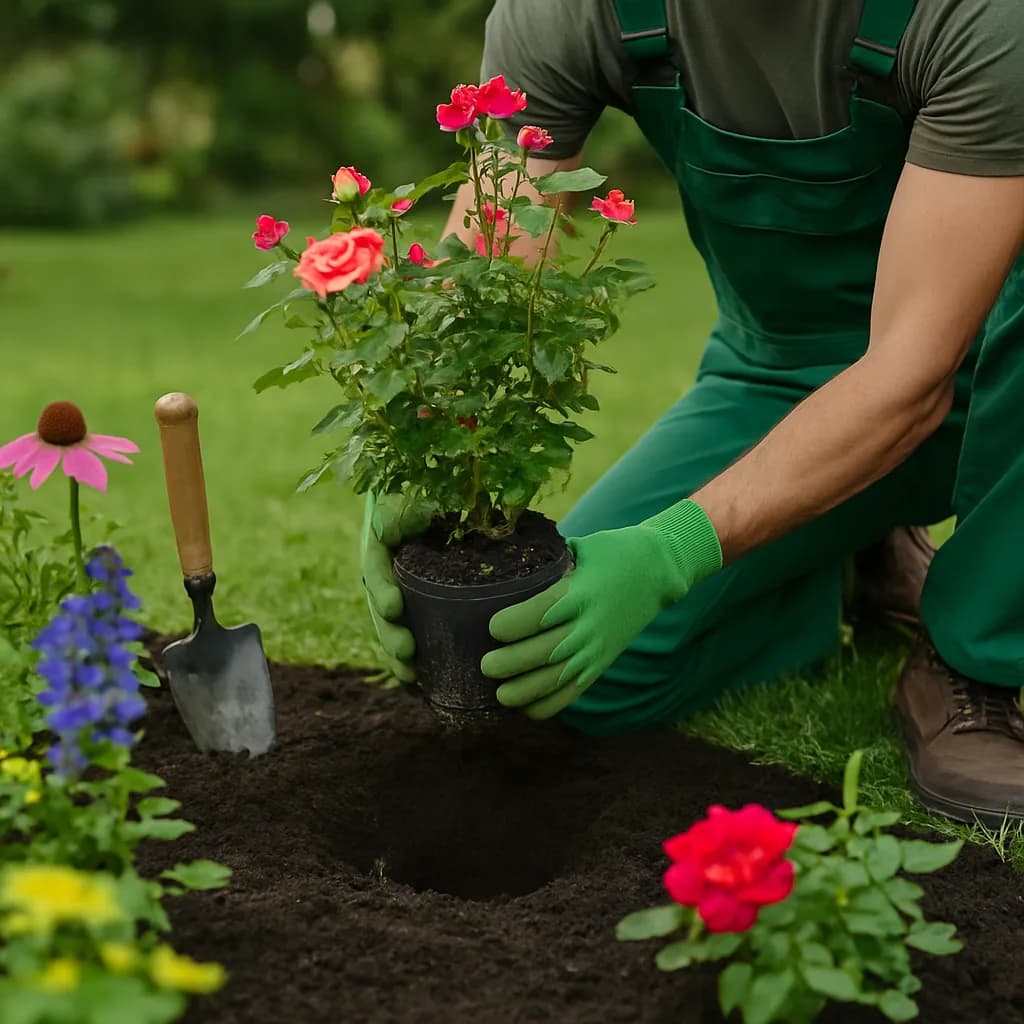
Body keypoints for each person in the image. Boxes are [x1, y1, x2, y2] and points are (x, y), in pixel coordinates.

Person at [361, 0, 1024, 827]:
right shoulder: (574, 12)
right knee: (555, 667)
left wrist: (672, 551)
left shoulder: (975, 16)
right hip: (779, 377)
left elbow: (913, 374)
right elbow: (492, 275)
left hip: (985, 372)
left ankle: (975, 657)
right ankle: (842, 550)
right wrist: (417, 464)